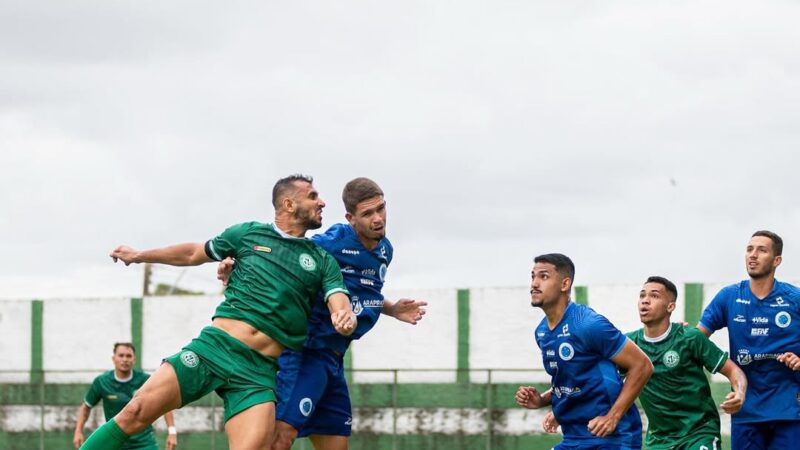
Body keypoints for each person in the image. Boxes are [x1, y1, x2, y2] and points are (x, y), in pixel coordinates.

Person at [81, 174, 356, 450]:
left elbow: (338, 300)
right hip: (214, 348)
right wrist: (140, 255)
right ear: (288, 204)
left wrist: (344, 317)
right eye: (312, 196)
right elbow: (192, 253)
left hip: (258, 371)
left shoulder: (321, 260)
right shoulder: (247, 234)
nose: (322, 202)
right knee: (135, 411)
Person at [218, 177, 427, 450]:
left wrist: (392, 309)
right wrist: (236, 271)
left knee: (336, 445)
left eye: (381, 209)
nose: (378, 219)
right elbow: (288, 255)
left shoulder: (385, 249)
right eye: (367, 214)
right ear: (350, 218)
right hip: (306, 354)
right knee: (280, 439)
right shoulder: (333, 242)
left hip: (334, 360)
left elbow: (359, 292)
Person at [515, 253, 653, 450]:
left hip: (612, 439)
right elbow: (573, 379)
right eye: (533, 276)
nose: (534, 284)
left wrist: (612, 418)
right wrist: (542, 400)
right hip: (573, 438)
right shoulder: (542, 332)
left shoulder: (587, 324)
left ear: (565, 284)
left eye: (543, 277)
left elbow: (642, 366)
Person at [698, 230, 800, 450]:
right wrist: (682, 333)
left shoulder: (794, 299)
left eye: (761, 250)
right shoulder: (729, 296)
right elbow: (696, 340)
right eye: (749, 249)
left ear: (776, 260)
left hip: (789, 411)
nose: (753, 255)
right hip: (746, 411)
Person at [627, 276, 747, 449]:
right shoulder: (630, 345)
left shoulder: (690, 338)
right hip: (659, 440)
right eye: (642, 295)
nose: (645, 301)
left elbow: (734, 371)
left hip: (699, 433)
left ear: (670, 306)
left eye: (654, 296)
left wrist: (740, 393)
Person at [73, 342, 177, 450]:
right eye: (121, 355)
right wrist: (78, 431)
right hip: (116, 443)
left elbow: (164, 404)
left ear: (134, 359)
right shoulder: (102, 382)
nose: (125, 359)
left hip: (144, 444)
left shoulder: (146, 380)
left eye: (128, 356)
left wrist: (172, 431)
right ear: (113, 359)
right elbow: (86, 407)